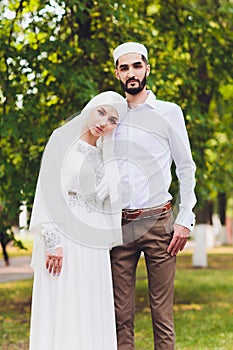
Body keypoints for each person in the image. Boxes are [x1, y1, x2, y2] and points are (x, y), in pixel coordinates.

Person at [110, 42, 196, 349]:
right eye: (124, 68)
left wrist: (185, 219)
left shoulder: (169, 113)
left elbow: (186, 167)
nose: (131, 73)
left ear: (147, 68)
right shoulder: (110, 117)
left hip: (160, 223)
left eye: (136, 66)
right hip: (120, 226)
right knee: (120, 314)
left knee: (162, 313)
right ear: (117, 74)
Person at [29, 91, 127, 350]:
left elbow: (109, 201)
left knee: (89, 305)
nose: (103, 122)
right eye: (101, 112)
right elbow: (47, 191)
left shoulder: (105, 156)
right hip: (64, 237)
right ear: (91, 108)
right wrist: (53, 242)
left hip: (91, 243)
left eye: (112, 120)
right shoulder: (61, 141)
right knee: (64, 303)